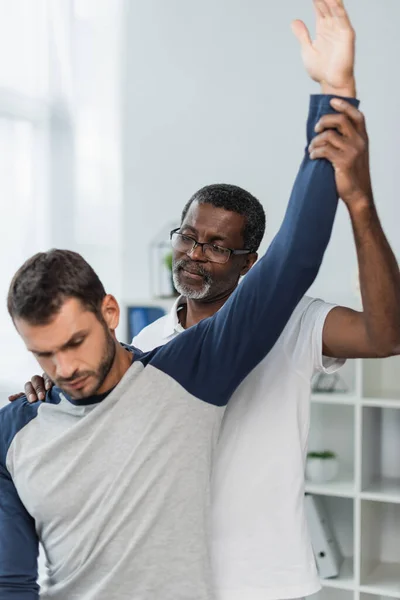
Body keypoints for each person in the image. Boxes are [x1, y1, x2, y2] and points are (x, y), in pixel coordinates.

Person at [5, 3, 398, 600]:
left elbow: (377, 328)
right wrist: (48, 397)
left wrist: (341, 123)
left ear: (249, 264)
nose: (194, 253)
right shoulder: (153, 350)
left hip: (270, 583)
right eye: (188, 236)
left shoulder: (274, 329)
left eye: (217, 246)